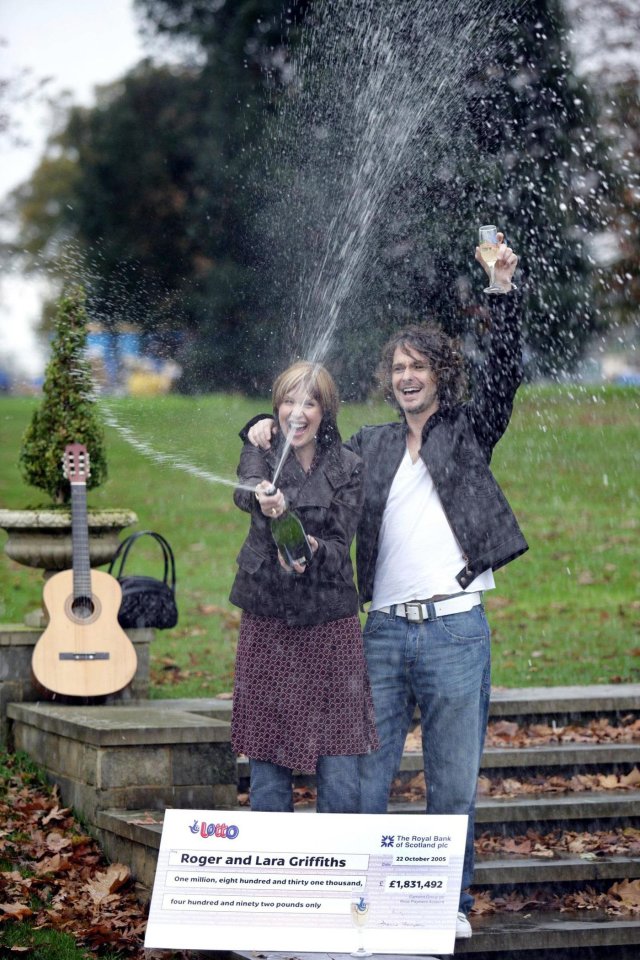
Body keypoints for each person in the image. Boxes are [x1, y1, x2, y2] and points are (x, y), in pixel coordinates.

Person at [243, 236, 527, 941]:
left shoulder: (468, 433)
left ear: (439, 375)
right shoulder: (366, 447)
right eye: (397, 367)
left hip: (457, 628)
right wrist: (251, 428)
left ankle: (448, 902)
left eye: (418, 367)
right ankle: (355, 904)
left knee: (452, 781)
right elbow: (302, 429)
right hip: (384, 631)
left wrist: (501, 291)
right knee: (363, 781)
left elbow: (504, 377)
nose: (406, 377)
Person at [230, 360, 379, 814]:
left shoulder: (349, 466)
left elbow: (339, 545)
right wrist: (265, 498)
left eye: (309, 402)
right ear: (275, 408)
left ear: (326, 411)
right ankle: (274, 874)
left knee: (339, 759)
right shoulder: (261, 447)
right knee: (269, 758)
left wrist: (310, 548)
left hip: (330, 624)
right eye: (288, 401)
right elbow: (244, 489)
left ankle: (338, 871)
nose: (298, 412)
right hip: (268, 620)